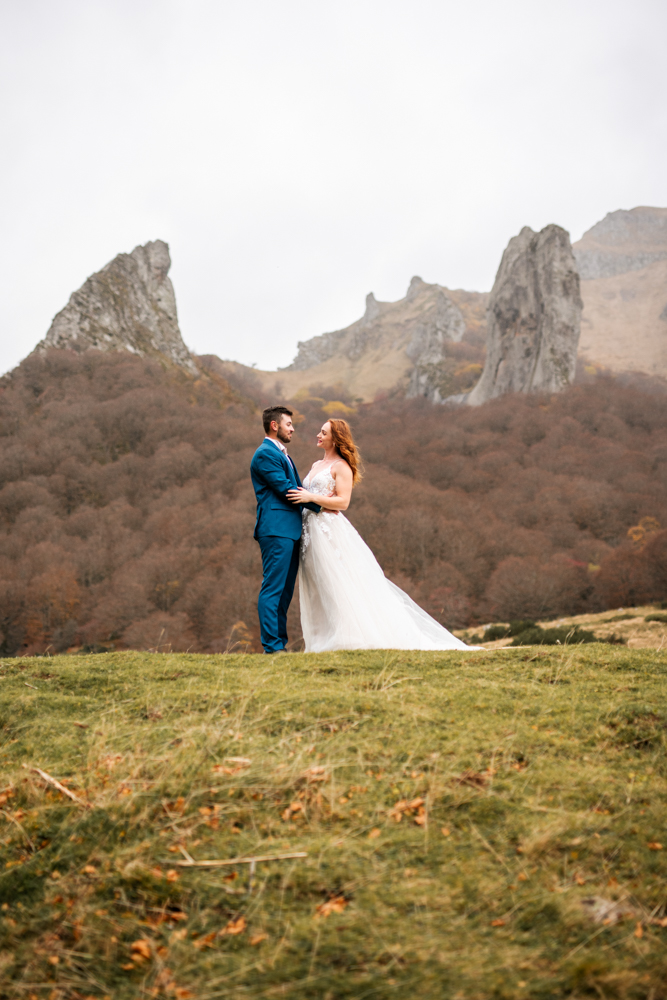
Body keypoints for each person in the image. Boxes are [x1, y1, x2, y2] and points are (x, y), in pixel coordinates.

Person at [286, 418, 483, 653]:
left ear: (336, 438)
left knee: (337, 583)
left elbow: (343, 502)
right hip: (310, 532)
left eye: (323, 432)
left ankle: (348, 637)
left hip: (329, 531)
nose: (318, 435)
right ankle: (321, 640)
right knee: (316, 585)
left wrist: (311, 498)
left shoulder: (341, 466)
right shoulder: (316, 463)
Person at [250, 405, 322, 654]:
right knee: (273, 588)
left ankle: (280, 643)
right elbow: (286, 489)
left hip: (289, 530)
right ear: (274, 425)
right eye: (288, 424)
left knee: (284, 591)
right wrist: (322, 505)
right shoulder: (265, 454)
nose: (292, 428)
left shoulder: (283, 454)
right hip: (276, 529)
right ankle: (272, 647)